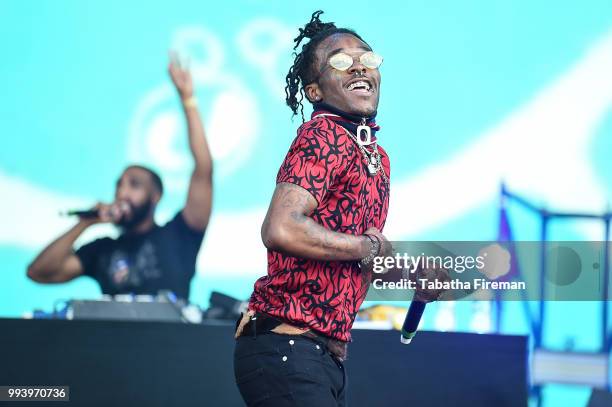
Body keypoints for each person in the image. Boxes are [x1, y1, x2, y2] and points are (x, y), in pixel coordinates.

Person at [233, 11, 444, 407]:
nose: (359, 66)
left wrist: (410, 274)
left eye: (366, 58)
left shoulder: (375, 156)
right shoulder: (323, 134)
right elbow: (281, 228)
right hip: (287, 346)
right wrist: (369, 248)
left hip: (318, 356)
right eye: (341, 61)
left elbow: (353, 254)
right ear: (314, 91)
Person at [27, 54, 213, 301]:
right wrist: (85, 223)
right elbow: (39, 272)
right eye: (119, 185)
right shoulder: (103, 249)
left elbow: (203, 168)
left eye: (134, 185)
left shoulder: (180, 234)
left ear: (155, 196)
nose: (122, 192)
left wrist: (187, 100)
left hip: (171, 339)